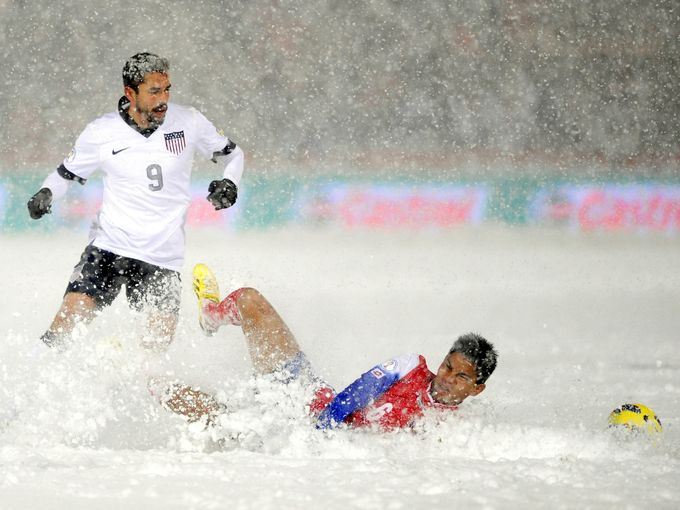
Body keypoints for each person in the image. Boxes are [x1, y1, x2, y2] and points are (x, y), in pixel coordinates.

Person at [26, 52, 244, 351]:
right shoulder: (101, 132)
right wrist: (45, 192)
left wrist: (230, 182)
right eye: (154, 91)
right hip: (108, 249)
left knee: (153, 360)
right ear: (130, 92)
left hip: (162, 258)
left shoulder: (190, 121)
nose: (163, 98)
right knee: (59, 336)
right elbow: (65, 176)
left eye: (167, 89)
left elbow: (234, 155)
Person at [157, 264, 498, 431]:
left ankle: (144, 374)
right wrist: (325, 422)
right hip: (307, 397)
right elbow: (364, 388)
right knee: (249, 299)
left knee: (207, 413)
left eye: (461, 377)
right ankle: (212, 314)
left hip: (298, 430)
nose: (447, 378)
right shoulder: (412, 365)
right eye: (448, 367)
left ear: (477, 388)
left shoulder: (455, 428)